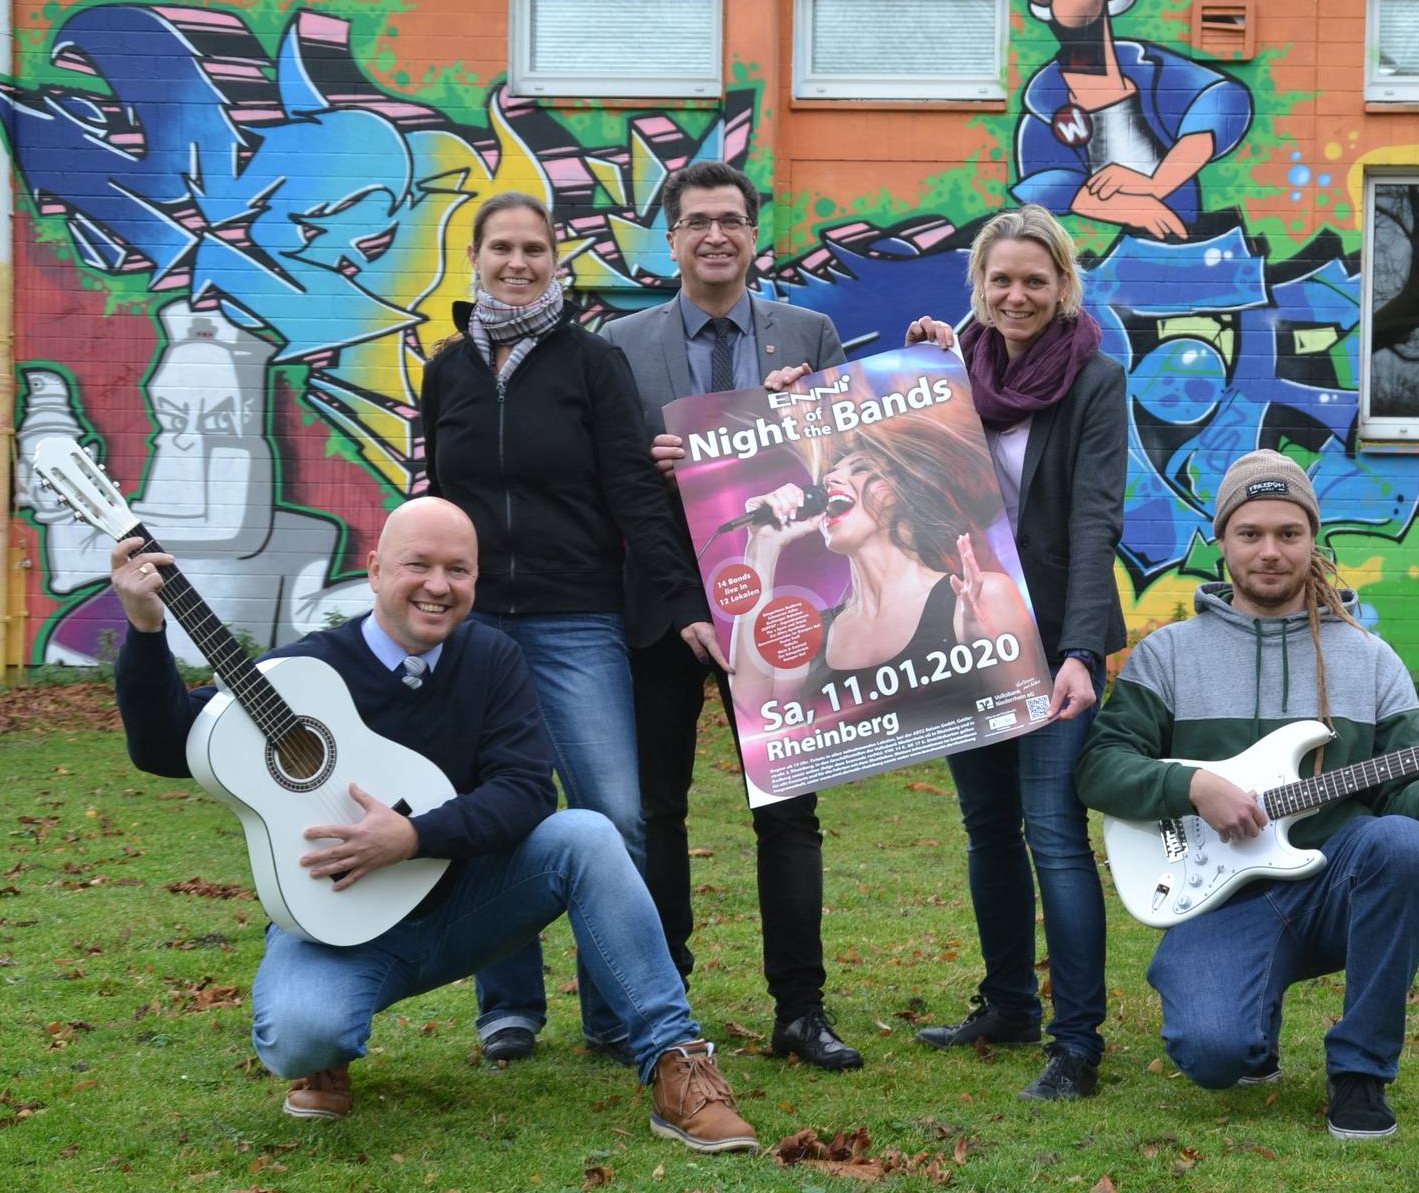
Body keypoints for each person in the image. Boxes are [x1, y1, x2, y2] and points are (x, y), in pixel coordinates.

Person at [109, 498, 758, 1152]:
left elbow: (527, 789)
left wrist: (413, 837)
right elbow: (167, 744)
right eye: (417, 564)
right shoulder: (308, 672)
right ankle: (326, 1056)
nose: (438, 585)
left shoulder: (492, 659)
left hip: (465, 908)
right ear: (373, 569)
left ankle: (678, 1062)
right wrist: (143, 629)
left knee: (586, 835)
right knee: (302, 1032)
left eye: (458, 569)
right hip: (339, 927)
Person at [1073, 451, 1419, 1139]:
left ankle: (1361, 1075)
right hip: (1217, 894)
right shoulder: (1167, 655)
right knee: (1215, 1054)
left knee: (1402, 844)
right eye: (1250, 533)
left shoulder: (1370, 660)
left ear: (1313, 540)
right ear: (1222, 541)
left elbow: (1402, 804)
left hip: (1332, 883)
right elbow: (1099, 767)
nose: (1269, 551)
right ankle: (1253, 1020)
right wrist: (1192, 785)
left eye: (1289, 533)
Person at [418, 190, 723, 1067]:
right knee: (488, 814)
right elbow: (436, 500)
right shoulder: (447, 370)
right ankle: (508, 1004)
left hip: (577, 621)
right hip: (472, 632)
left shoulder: (590, 363)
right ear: (474, 259)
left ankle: (616, 1008)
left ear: (558, 261)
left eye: (534, 249)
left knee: (615, 818)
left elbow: (633, 488)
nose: (518, 262)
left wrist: (682, 602)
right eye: (501, 248)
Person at [600, 160, 862, 1071]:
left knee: (787, 808)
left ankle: (801, 1009)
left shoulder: (811, 333)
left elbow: (845, 467)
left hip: (780, 601)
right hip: (666, 605)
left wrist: (807, 422)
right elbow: (608, 479)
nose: (716, 235)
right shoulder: (623, 345)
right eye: (697, 221)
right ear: (669, 239)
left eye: (732, 221)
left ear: (755, 235)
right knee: (656, 809)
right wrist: (651, 457)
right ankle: (661, 1003)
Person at [903, 204, 1128, 1102]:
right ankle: (1008, 1005)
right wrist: (916, 368)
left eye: (1035, 278)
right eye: (1000, 279)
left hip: (1057, 643)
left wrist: (1078, 651)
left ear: (1062, 285)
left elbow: (1093, 518)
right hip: (970, 634)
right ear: (979, 288)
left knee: (1054, 834)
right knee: (987, 828)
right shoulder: (950, 369)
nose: (1017, 293)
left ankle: (1077, 1042)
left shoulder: (1094, 379)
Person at [727, 408, 1042, 717]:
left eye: (861, 468)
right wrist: (763, 545)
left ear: (906, 490)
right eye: (831, 474)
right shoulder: (814, 632)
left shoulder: (981, 597)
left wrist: (986, 653)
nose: (831, 478)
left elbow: (1031, 713)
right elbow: (751, 708)